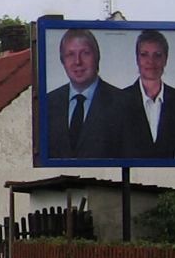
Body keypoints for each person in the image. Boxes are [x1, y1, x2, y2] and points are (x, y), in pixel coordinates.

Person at [46, 28, 128, 159]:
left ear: (97, 57)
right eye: (70, 55)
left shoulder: (123, 102)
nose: (77, 62)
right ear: (62, 61)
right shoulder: (47, 103)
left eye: (85, 53)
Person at [125, 29, 175, 160]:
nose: (151, 61)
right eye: (144, 54)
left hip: (168, 179)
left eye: (157, 55)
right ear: (137, 59)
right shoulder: (120, 100)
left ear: (165, 59)